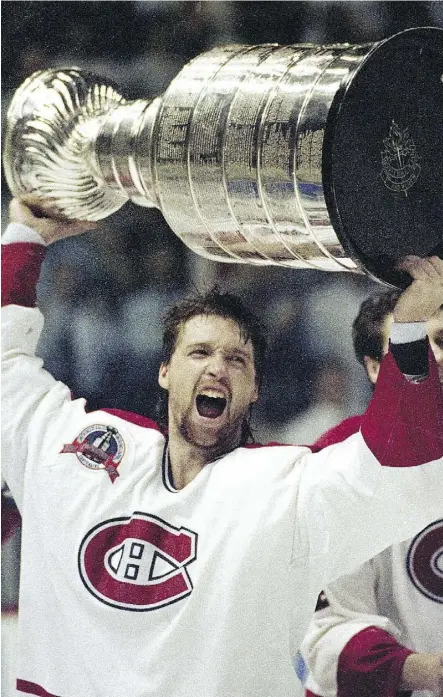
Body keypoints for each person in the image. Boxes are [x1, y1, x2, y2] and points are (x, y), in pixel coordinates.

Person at [2, 198, 443, 697]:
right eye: (199, 352)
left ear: (255, 389)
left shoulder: (288, 488)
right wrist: (24, 237)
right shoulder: (84, 453)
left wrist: (409, 331)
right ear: (165, 372)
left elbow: (403, 468)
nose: (217, 368)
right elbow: (5, 373)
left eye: (238, 359)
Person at [298, 290, 443, 697]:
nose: (434, 357)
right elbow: (328, 633)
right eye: (411, 345)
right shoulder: (337, 463)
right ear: (376, 367)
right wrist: (427, 672)